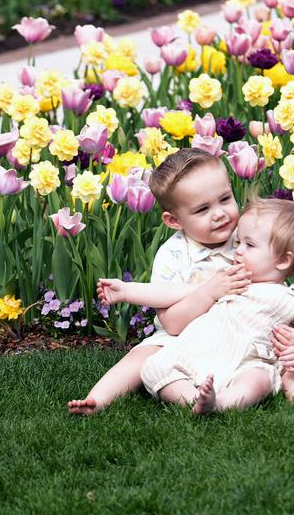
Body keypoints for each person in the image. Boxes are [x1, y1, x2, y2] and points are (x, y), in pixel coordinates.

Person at [126, 198, 294, 413]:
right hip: (202, 352)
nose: (237, 250)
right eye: (239, 241)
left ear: (283, 260)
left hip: (249, 363)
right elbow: (169, 292)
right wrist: (126, 290)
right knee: (156, 366)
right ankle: (192, 398)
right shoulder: (229, 279)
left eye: (249, 245)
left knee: (262, 378)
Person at [68, 148, 253, 415]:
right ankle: (96, 401)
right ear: (174, 220)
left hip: (234, 334)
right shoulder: (173, 255)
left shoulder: (247, 239)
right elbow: (172, 324)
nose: (219, 214)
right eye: (202, 209)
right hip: (183, 337)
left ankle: (230, 396)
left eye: (225, 199)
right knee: (141, 356)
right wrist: (209, 292)